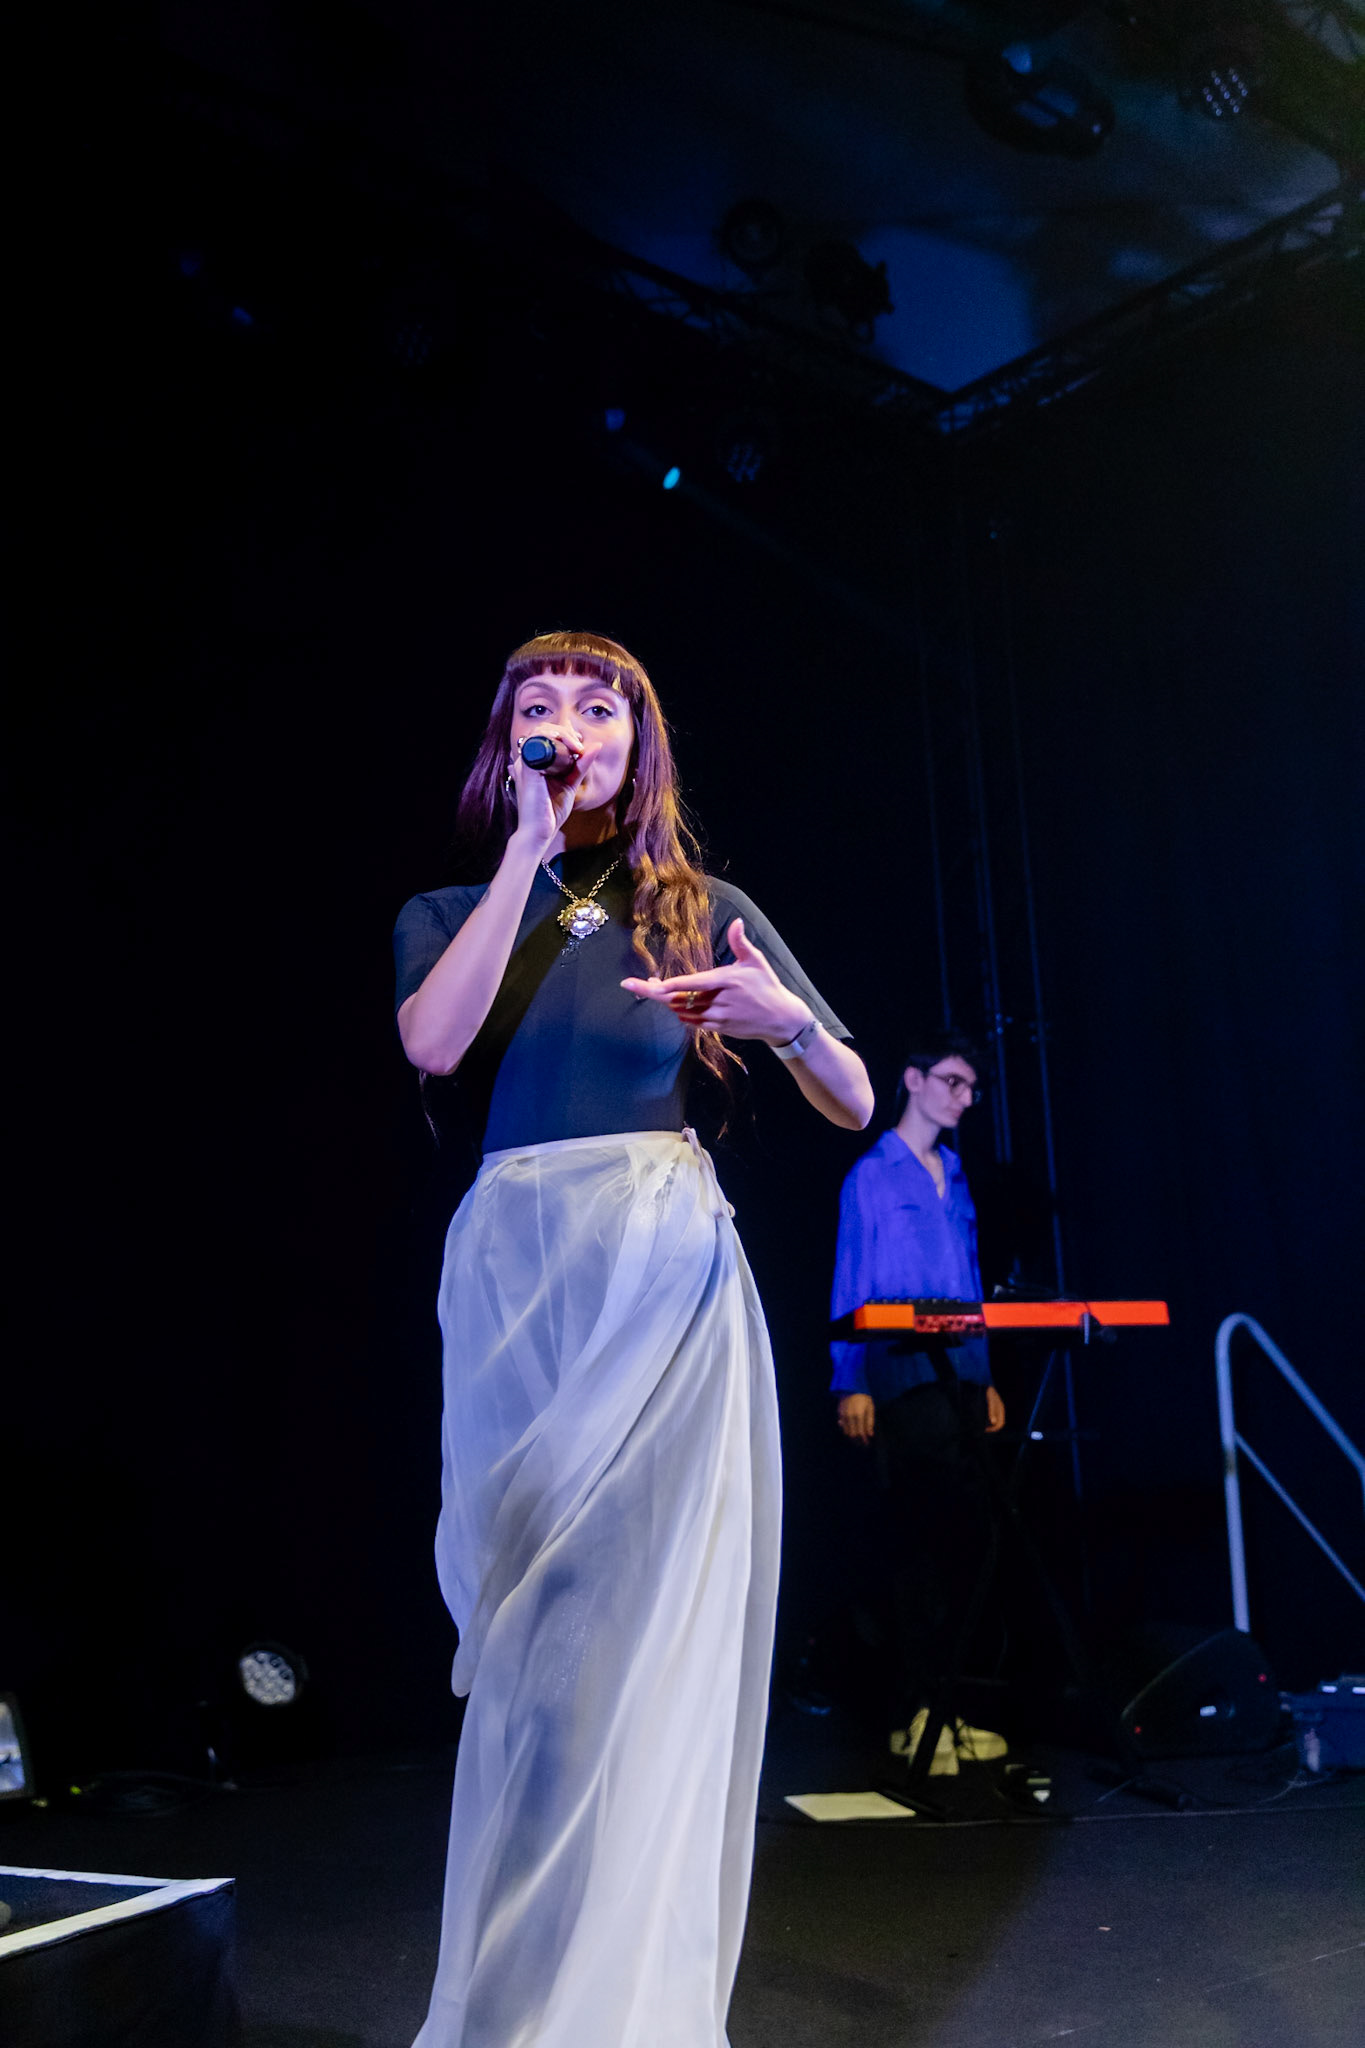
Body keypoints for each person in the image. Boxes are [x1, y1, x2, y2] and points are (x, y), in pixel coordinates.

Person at [394, 630, 872, 2048]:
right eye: (538, 708)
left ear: (637, 738)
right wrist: (523, 858)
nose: (569, 724)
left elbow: (852, 1097)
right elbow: (433, 1044)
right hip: (515, 1266)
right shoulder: (447, 905)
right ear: (509, 747)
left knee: (640, 1628)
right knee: (531, 1640)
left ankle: (629, 2009)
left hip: (658, 1257)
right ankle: (517, 1997)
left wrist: (784, 1025)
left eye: (596, 705)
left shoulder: (703, 906)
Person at [828, 1031, 1007, 1773]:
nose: (964, 1098)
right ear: (913, 1079)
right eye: (953, 1082)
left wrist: (985, 1374)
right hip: (901, 1375)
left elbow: (968, 1275)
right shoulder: (871, 1175)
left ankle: (949, 1708)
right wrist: (850, 1379)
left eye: (971, 1088)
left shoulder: (954, 1175)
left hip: (959, 1372)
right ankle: (916, 1714)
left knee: (963, 1541)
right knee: (916, 1545)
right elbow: (852, 1275)